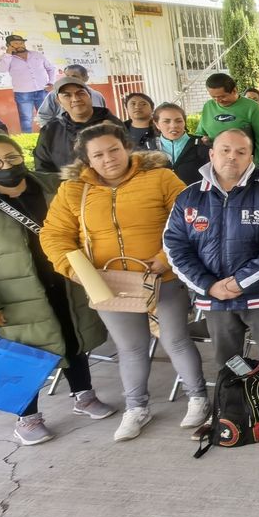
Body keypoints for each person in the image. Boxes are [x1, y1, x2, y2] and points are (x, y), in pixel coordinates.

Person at [39, 123, 208, 441]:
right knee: (131, 348)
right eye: (98, 155)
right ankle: (137, 408)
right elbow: (54, 235)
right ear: (87, 160)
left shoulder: (160, 177)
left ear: (127, 147)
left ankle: (198, 398)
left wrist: (165, 258)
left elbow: (191, 220)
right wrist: (75, 270)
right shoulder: (75, 189)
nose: (108, 159)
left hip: (161, 277)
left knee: (175, 339)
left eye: (114, 150)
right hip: (108, 283)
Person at [162, 129, 259, 439]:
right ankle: (229, 411)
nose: (232, 157)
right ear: (212, 154)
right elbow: (174, 245)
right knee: (229, 360)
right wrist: (208, 285)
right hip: (214, 298)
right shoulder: (189, 196)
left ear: (250, 157)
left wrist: (241, 282)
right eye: (225, 150)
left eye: (241, 152)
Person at [0, 134, 116, 444]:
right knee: (22, 353)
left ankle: (84, 395)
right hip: (15, 295)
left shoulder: (52, 186)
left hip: (64, 280)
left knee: (74, 339)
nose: (6, 166)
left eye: (12, 158)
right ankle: (26, 418)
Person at [32, 77, 121, 175]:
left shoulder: (113, 125)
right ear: (58, 101)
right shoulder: (51, 131)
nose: (75, 99)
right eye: (67, 95)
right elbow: (43, 169)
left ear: (89, 96)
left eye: (80, 93)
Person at [198, 73, 259, 163]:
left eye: (222, 96)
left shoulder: (252, 107)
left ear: (234, 90)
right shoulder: (208, 106)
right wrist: (203, 139)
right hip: (216, 161)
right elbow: (199, 133)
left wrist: (258, 164)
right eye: (214, 97)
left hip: (243, 162)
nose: (218, 101)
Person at [0, 34, 57, 132]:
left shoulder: (37, 55)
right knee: (26, 120)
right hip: (23, 93)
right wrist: (8, 54)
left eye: (22, 43)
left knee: (47, 116)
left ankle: (51, 137)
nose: (20, 45)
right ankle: (28, 142)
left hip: (43, 91)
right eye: (16, 43)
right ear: (9, 45)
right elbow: (2, 69)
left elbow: (51, 68)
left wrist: (51, 83)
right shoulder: (6, 58)